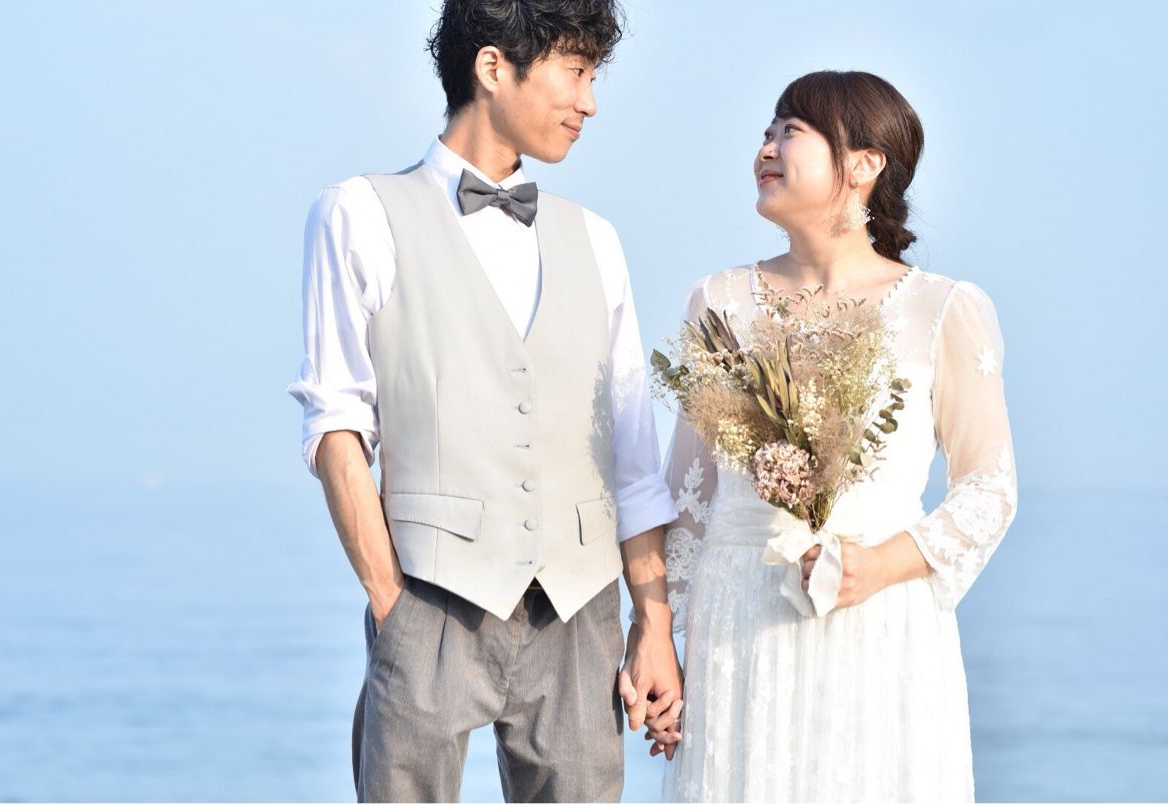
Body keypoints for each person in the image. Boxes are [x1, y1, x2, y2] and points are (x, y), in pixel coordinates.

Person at [286, 1, 684, 801]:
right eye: (575, 71)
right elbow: (336, 424)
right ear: (493, 67)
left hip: (577, 608)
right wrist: (390, 605)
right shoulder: (358, 213)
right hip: (430, 600)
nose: (589, 103)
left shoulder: (596, 239)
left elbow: (633, 457)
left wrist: (653, 623)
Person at [650, 70, 1018, 801]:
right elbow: (686, 498)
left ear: (864, 163)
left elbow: (989, 489)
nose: (765, 148)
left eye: (790, 131)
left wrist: (877, 565)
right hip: (736, 628)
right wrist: (659, 640)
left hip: (880, 628)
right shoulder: (718, 301)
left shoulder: (941, 308)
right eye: (766, 132)